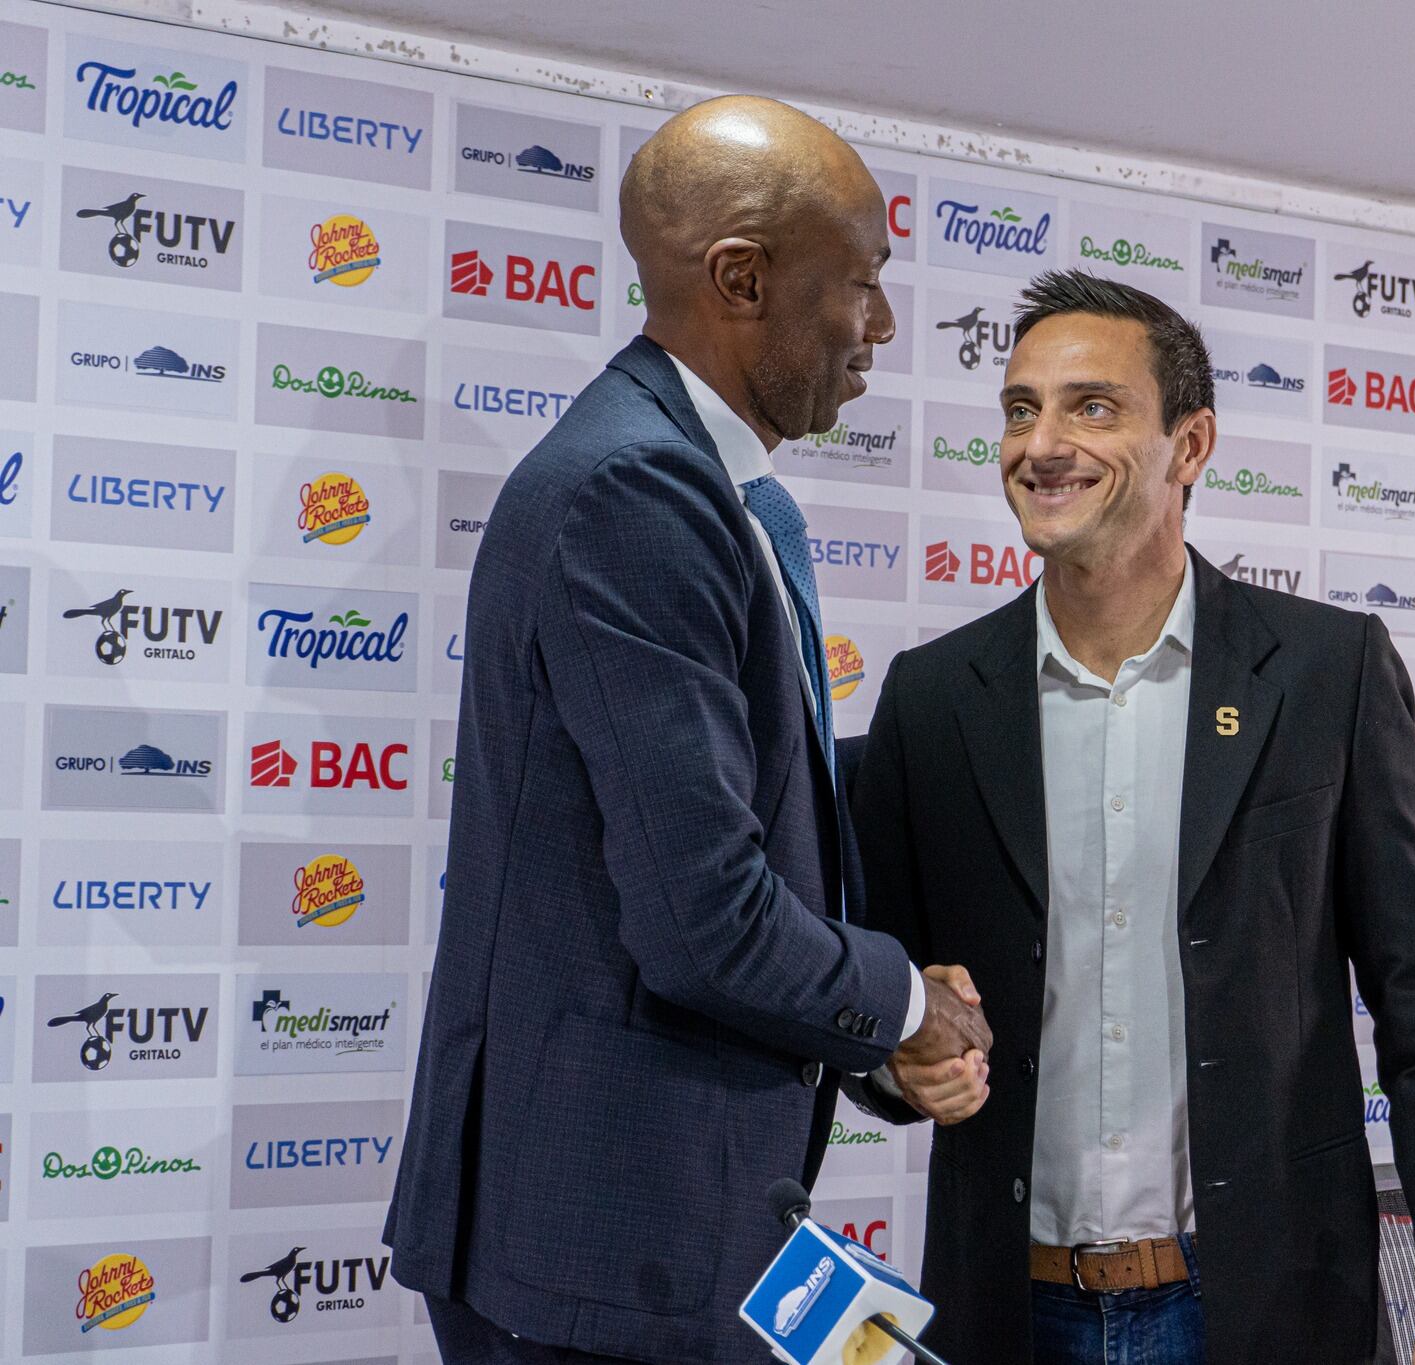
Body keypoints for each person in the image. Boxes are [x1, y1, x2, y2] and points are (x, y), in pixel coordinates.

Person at [384, 96, 991, 1365]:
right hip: (599, 1249)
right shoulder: (632, 492)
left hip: (670, 1227)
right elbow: (702, 914)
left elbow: (755, 825)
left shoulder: (705, 486)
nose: (880, 326)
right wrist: (897, 1004)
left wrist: (879, 1030)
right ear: (740, 278)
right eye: (862, 285)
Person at [851, 270, 1415, 1364]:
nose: (1041, 442)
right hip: (1006, 1312)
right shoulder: (929, 699)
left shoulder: (1323, 673)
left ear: (1190, 444)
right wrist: (898, 1060)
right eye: (1021, 408)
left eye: (1092, 406)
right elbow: (878, 985)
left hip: (1259, 1306)